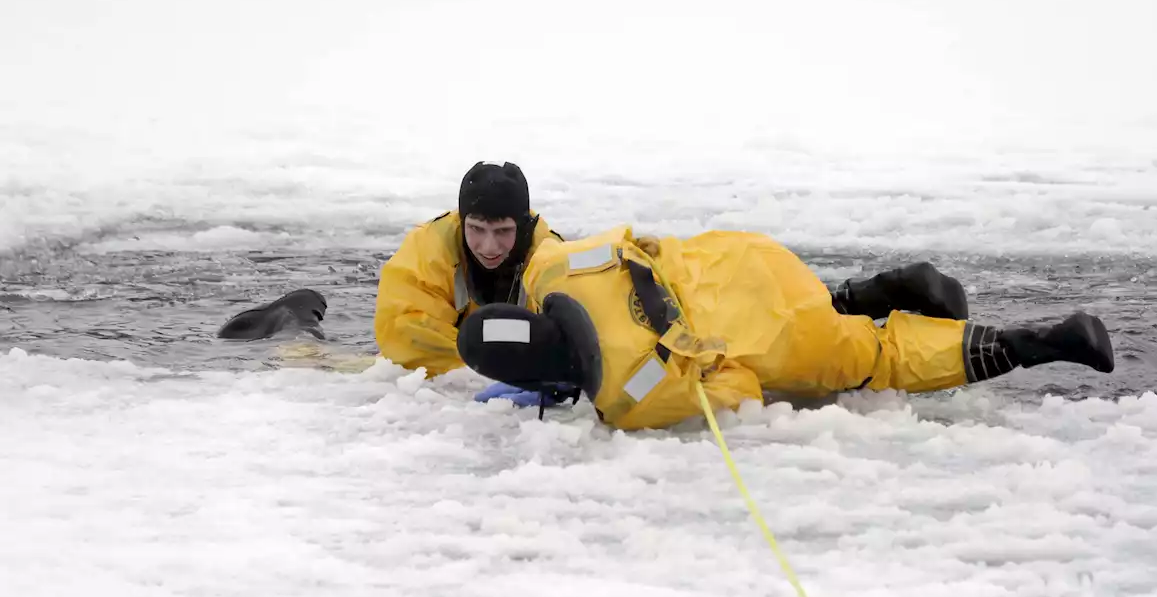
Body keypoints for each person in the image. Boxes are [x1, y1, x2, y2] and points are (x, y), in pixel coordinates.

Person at [455, 225, 1114, 430]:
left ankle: (1045, 341)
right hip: (746, 258)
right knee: (808, 302)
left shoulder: (625, 396)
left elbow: (738, 390)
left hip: (787, 337)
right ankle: (875, 289)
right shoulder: (553, 266)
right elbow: (642, 238)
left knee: (879, 358)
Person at [373, 161, 563, 376]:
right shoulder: (428, 250)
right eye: (476, 229)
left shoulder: (550, 257)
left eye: (503, 231)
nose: (489, 247)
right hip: (444, 374)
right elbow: (406, 330)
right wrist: (485, 375)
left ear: (522, 227)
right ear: (461, 221)